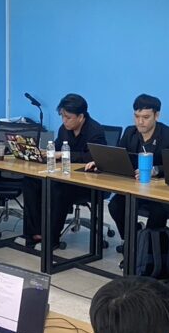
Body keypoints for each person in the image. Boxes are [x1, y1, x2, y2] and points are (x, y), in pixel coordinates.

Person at [89, 93, 169, 250]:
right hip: (135, 188)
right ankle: (133, 240)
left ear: (156, 115)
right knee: (115, 206)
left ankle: (148, 250)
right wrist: (101, 162)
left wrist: (155, 170)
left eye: (145, 117)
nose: (140, 122)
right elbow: (118, 156)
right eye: (137, 116)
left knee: (158, 212)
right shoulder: (130, 133)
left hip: (161, 193)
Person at [20, 93, 107, 247]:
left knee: (56, 187)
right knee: (31, 181)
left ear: (81, 117)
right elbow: (57, 146)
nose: (64, 120)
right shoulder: (64, 129)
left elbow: (92, 157)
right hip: (65, 176)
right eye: (62, 116)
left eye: (68, 117)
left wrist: (62, 154)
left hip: (87, 183)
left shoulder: (95, 131)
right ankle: (33, 233)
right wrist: (46, 152)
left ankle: (51, 238)